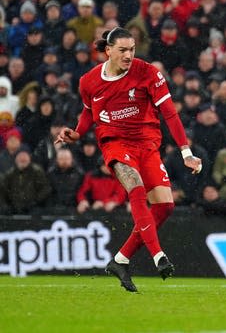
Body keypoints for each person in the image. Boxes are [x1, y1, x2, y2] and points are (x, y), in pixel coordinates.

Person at [55, 27, 202, 293]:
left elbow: (169, 113)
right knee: (134, 185)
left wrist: (186, 153)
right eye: (122, 50)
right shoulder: (88, 81)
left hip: (147, 144)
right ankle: (159, 256)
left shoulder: (148, 72)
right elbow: (89, 113)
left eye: (132, 49)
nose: (128, 55)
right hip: (115, 143)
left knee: (166, 207)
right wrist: (76, 133)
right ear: (108, 51)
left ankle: (120, 259)